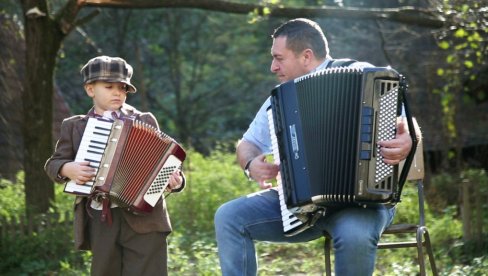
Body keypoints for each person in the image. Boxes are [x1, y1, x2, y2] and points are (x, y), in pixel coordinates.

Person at [214, 18, 417, 276]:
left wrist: (408, 138)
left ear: (306, 56)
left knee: (354, 234)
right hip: (301, 207)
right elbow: (247, 143)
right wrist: (251, 164)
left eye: (279, 58)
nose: (272, 67)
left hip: (363, 204)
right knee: (229, 217)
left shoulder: (366, 77)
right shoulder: (280, 99)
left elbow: (405, 124)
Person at [45, 56, 185, 276]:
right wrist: (66, 169)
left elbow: (165, 162)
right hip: (101, 218)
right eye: (109, 87)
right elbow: (54, 163)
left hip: (146, 218)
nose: (117, 92)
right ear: (90, 89)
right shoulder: (74, 126)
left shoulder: (145, 120)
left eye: (123, 88)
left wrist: (174, 180)